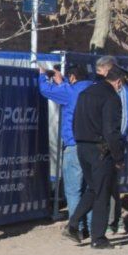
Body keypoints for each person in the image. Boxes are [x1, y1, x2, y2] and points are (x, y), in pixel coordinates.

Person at [62, 66, 127, 249]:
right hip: (101, 149)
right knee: (102, 193)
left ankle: (73, 224)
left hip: (82, 146)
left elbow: (74, 120)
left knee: (93, 189)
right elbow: (111, 130)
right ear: (119, 81)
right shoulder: (111, 97)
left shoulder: (86, 93)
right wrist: (118, 156)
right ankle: (98, 238)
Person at [38, 63, 94, 238]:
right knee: (89, 189)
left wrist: (43, 75)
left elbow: (45, 90)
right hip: (93, 146)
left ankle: (76, 227)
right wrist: (61, 82)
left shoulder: (70, 91)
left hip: (74, 144)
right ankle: (92, 228)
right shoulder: (94, 89)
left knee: (73, 189)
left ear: (72, 77)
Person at [94, 56, 128, 235]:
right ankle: (111, 221)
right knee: (107, 185)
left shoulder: (123, 92)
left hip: (113, 144)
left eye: (100, 72)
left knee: (110, 185)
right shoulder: (102, 90)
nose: (98, 76)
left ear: (109, 70)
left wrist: (115, 144)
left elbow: (123, 122)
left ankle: (114, 223)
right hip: (104, 143)